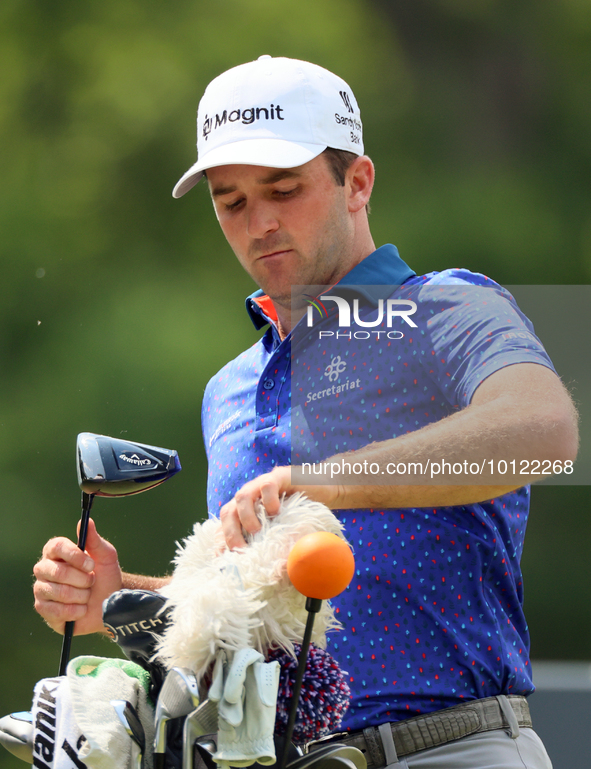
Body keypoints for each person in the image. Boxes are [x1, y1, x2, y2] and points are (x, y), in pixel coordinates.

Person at [33, 56, 578, 768]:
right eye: (230, 202)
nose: (258, 223)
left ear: (357, 182)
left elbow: (544, 431)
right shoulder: (227, 387)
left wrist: (319, 480)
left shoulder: (446, 306)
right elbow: (260, 601)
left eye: (283, 190)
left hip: (450, 745)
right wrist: (119, 597)